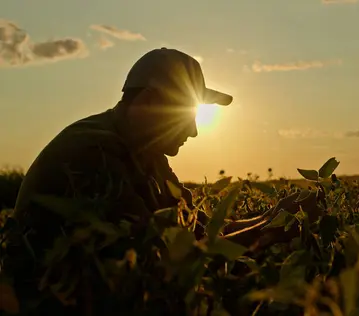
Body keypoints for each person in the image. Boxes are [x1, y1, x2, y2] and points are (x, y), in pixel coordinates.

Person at [3, 47, 323, 314]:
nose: (194, 130)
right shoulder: (93, 152)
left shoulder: (147, 154)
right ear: (150, 101)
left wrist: (275, 215)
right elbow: (166, 262)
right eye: (187, 112)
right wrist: (269, 232)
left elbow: (198, 233)